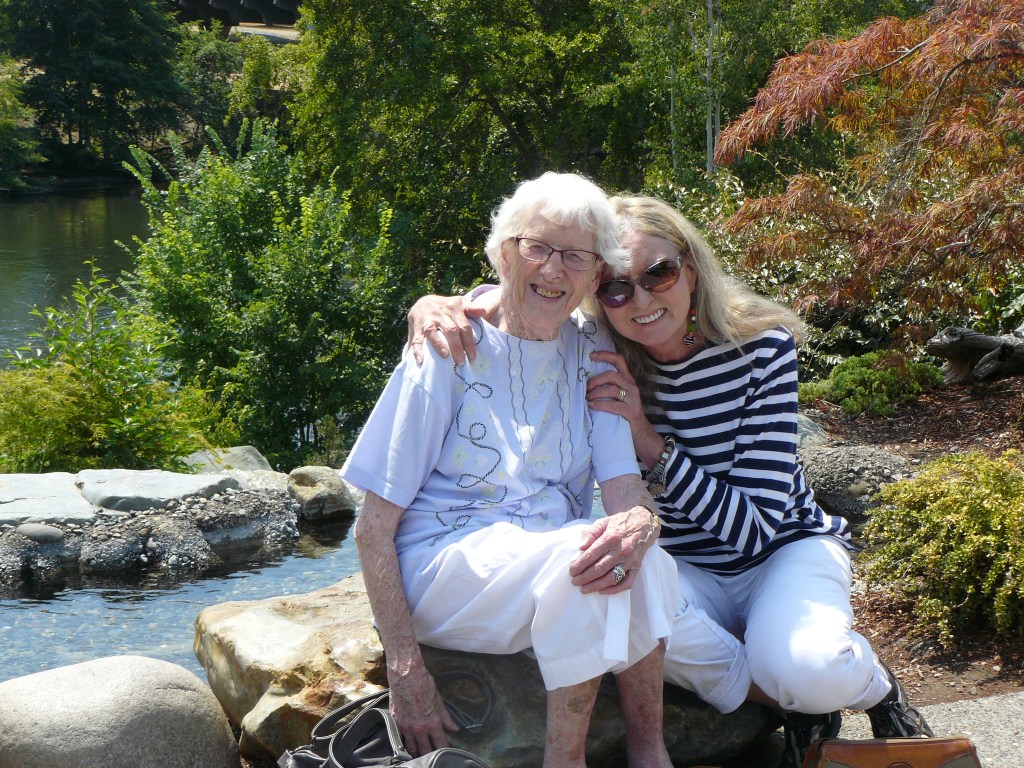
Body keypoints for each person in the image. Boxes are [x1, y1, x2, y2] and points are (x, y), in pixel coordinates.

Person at [407, 194, 933, 768]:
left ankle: (876, 687)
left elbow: (754, 531)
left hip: (782, 551)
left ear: (690, 264)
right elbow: (527, 292)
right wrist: (439, 304)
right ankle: (792, 709)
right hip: (682, 567)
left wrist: (647, 440)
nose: (641, 298)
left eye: (658, 272)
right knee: (614, 599)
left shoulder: (762, 350)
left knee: (810, 668)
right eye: (615, 287)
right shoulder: (605, 350)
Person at [341, 174, 679, 768]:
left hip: (544, 571)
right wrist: (405, 667)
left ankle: (649, 752)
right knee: (588, 558)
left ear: (596, 273)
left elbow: (625, 489)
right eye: (539, 248)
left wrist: (640, 523)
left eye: (576, 256)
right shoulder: (448, 345)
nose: (554, 269)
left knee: (638, 555)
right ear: (504, 252)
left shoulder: (591, 350)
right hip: (446, 570)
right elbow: (371, 527)